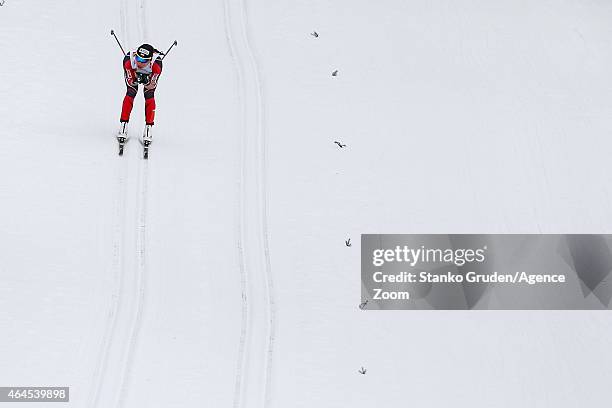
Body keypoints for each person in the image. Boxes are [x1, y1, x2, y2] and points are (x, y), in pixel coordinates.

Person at [117, 43, 162, 146]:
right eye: (138, 58)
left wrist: (147, 82)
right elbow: (130, 81)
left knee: (149, 95)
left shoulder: (157, 65)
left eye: (143, 61)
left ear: (150, 60)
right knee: (131, 92)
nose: (139, 62)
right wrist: (135, 79)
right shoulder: (128, 60)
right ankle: (123, 124)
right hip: (133, 72)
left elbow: (151, 85)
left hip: (150, 74)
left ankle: (148, 127)